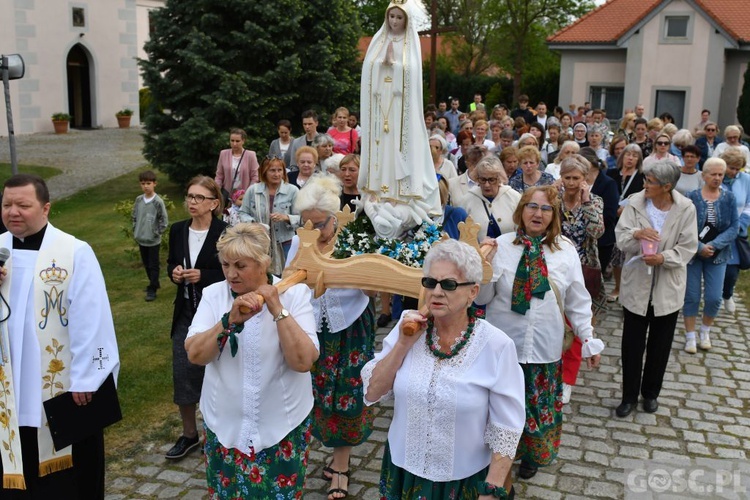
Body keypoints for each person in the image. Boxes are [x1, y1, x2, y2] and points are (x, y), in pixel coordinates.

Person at [362, 239, 526, 499]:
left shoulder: (497, 346)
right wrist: (402, 345)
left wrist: (492, 490)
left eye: (448, 284)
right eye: (430, 282)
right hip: (403, 472)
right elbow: (372, 393)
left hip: (464, 480)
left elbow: (506, 428)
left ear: (473, 292)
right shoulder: (407, 330)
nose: (436, 292)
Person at [0, 174, 120, 498]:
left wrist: (87, 378)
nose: (14, 212)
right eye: (7, 204)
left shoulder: (74, 252)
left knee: (67, 485)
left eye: (23, 205)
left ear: (46, 208)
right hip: (7, 394)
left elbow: (93, 318)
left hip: (63, 395)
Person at [477, 185, 604, 481]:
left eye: (546, 209)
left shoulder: (566, 252)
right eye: (532, 206)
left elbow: (577, 300)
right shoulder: (501, 246)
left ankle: (531, 455)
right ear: (521, 210)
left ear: (554, 214)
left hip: (544, 347)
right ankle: (496, 457)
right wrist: (484, 267)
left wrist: (588, 339)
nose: (538, 213)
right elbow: (482, 299)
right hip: (503, 347)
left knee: (537, 407)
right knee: (500, 406)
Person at [184, 223, 318, 498]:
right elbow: (195, 355)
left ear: (263, 263)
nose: (231, 274)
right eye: (225, 265)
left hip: (282, 426)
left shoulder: (294, 295)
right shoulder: (213, 296)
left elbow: (303, 362)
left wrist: (278, 310)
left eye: (240, 266)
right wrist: (228, 321)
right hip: (225, 427)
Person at [289, 175, 375, 499]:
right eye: (306, 224)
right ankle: (320, 447)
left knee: (348, 394)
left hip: (351, 328)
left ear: (334, 218)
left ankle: (341, 465)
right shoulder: (302, 240)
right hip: (313, 327)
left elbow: (372, 289)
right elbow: (288, 280)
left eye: (319, 225)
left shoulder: (353, 239)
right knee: (314, 392)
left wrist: (357, 273)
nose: (312, 231)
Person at [614, 161, 698, 417]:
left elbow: (688, 247)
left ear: (667, 186)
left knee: (660, 346)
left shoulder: (685, 208)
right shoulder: (636, 202)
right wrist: (638, 234)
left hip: (667, 287)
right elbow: (621, 237)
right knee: (632, 345)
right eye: (646, 180)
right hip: (637, 284)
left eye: (650, 182)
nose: (645, 185)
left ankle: (650, 394)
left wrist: (664, 258)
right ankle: (628, 396)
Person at [359, 1, 440, 232]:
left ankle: (399, 194)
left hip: (399, 113)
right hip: (380, 108)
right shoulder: (378, 41)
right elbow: (368, 70)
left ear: (406, 20)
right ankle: (379, 190)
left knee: (398, 147)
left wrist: (393, 66)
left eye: (399, 17)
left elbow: (411, 74)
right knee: (381, 149)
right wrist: (380, 64)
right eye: (391, 17)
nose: (394, 21)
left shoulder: (410, 45)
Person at [165, 176, 228, 460]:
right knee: (183, 372)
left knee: (221, 373)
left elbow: (233, 272)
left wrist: (204, 275)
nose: (192, 202)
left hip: (217, 313)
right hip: (186, 313)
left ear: (214, 204)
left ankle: (218, 432)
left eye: (199, 198)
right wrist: (175, 274)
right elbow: (170, 264)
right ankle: (189, 433)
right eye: (190, 196)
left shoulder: (225, 232)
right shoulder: (178, 231)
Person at [555, 156, 606, 404]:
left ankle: (567, 379)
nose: (572, 183)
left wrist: (585, 202)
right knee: (555, 323)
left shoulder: (594, 201)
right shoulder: (554, 200)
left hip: (584, 269)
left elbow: (597, 232)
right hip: (555, 268)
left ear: (585, 179)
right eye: (568, 178)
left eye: (577, 178)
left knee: (577, 326)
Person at [683, 158, 738, 353]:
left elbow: (734, 227)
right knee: (691, 295)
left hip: (718, 255)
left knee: (714, 297)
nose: (716, 178)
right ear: (704, 175)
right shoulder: (692, 197)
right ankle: (690, 335)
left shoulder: (729, 198)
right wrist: (699, 246)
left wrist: (714, 245)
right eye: (713, 174)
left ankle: (705, 331)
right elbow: (685, 226)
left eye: (720, 174)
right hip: (693, 254)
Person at [239, 157, 300, 275]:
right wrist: (254, 224)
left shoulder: (292, 190)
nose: (276, 174)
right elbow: (242, 213)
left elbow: (302, 218)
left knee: (287, 275)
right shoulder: (253, 190)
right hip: (258, 243)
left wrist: (286, 217)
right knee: (260, 275)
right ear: (264, 172)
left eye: (279, 170)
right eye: (272, 170)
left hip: (285, 243)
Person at [606, 144, 646, 303]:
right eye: (628, 154)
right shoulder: (611, 173)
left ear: (639, 159)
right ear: (622, 156)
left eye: (635, 156)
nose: (630, 158)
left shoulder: (641, 176)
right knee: (616, 256)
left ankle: (629, 291)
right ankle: (617, 287)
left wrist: (627, 209)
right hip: (613, 218)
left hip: (632, 220)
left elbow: (643, 197)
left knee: (628, 256)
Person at [462, 156, 521, 240]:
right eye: (482, 179)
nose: (487, 185)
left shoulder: (514, 197)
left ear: (499, 179)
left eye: (491, 180)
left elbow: (521, 230)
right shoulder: (467, 200)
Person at [720, 148, 750, 313]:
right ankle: (713, 297)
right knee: (715, 266)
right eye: (731, 167)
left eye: (737, 168)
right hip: (717, 231)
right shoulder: (716, 177)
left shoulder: (746, 179)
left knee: (732, 271)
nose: (733, 171)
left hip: (737, 233)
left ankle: (727, 294)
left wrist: (741, 223)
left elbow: (749, 205)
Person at [132, 170, 168, 302]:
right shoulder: (139, 200)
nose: (146, 186)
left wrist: (156, 233)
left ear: (154, 184)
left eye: (148, 183)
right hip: (141, 239)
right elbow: (135, 216)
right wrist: (136, 230)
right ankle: (154, 282)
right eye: (143, 183)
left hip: (153, 241)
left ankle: (152, 289)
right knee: (146, 264)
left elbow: (163, 221)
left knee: (153, 265)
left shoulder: (157, 202)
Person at [215, 128, 260, 200]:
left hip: (244, 194)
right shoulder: (223, 153)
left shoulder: (250, 155)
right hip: (226, 193)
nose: (234, 144)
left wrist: (248, 192)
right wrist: (216, 191)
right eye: (232, 141)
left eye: (237, 141)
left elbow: (255, 176)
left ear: (243, 141)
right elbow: (219, 175)